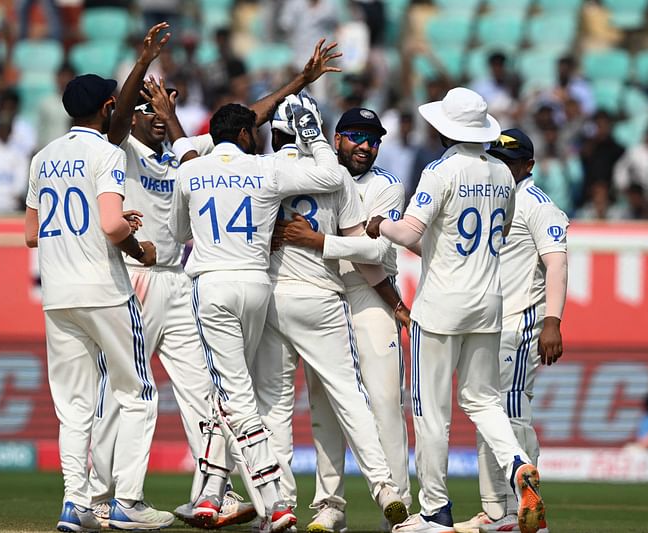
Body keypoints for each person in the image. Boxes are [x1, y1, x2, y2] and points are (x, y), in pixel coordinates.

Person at [87, 33, 346, 530]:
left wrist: (299, 81)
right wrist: (144, 68)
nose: (156, 118)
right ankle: (102, 495)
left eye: (158, 112)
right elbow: (121, 119)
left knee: (205, 395)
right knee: (125, 389)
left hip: (186, 283)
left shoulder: (189, 159)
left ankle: (211, 491)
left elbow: (243, 120)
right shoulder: (121, 150)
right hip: (140, 276)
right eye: (147, 113)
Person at [366, 88, 546, 533]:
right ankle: (519, 464)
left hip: (441, 304)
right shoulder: (503, 175)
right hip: (489, 302)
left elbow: (409, 235)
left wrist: (378, 225)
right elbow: (500, 229)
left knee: (431, 410)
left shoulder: (440, 170)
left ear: (446, 128)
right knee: (484, 400)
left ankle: (435, 511)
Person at [167, 93, 344, 532]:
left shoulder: (191, 171)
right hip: (257, 285)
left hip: (212, 287)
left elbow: (177, 231)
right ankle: (209, 496)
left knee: (235, 398)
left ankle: (275, 500)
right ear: (244, 134)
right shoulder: (265, 168)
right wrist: (313, 135)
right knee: (224, 394)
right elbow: (330, 174)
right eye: (256, 131)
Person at [254, 94, 409, 533]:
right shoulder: (306, 171)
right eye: (356, 137)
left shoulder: (386, 185)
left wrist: (319, 242)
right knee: (324, 407)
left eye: (373, 140)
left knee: (381, 401)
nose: (365, 146)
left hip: (366, 292)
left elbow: (376, 251)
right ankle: (330, 504)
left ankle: (396, 505)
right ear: (334, 138)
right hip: (322, 294)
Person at [24, 72, 170, 532]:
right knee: (139, 393)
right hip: (104, 290)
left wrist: (106, 222)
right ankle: (127, 501)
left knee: (73, 407)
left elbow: (31, 234)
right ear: (109, 107)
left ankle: (75, 504)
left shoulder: (42, 158)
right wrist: (138, 247)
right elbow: (109, 226)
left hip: (58, 293)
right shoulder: (107, 153)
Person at [454, 128, 568, 533]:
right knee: (489, 417)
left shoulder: (538, 205)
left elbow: (555, 263)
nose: (501, 166)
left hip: (520, 322)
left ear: (528, 166)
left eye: (510, 161)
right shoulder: (491, 198)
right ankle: (497, 509)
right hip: (485, 322)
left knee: (512, 411)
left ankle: (525, 508)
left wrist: (552, 321)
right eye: (497, 158)